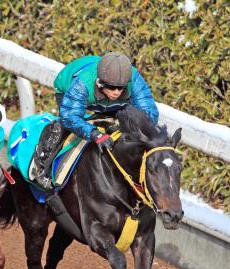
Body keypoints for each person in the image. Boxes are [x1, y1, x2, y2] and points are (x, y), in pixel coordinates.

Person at [31, 52, 159, 189]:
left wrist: (130, 127)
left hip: (113, 102)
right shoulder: (82, 83)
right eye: (111, 87)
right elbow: (70, 117)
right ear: (100, 83)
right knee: (65, 126)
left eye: (121, 88)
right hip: (68, 90)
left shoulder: (134, 80)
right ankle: (41, 164)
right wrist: (95, 134)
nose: (116, 92)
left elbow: (149, 114)